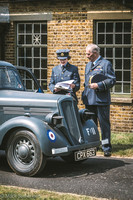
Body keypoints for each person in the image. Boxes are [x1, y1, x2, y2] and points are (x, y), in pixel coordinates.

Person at [82, 44, 116, 157]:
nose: (87, 56)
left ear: (95, 53)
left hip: (101, 100)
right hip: (89, 100)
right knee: (91, 125)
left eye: (88, 54)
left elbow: (112, 80)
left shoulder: (106, 64)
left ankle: (106, 147)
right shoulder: (88, 65)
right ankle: (93, 145)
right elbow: (87, 81)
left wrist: (99, 85)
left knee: (104, 125)